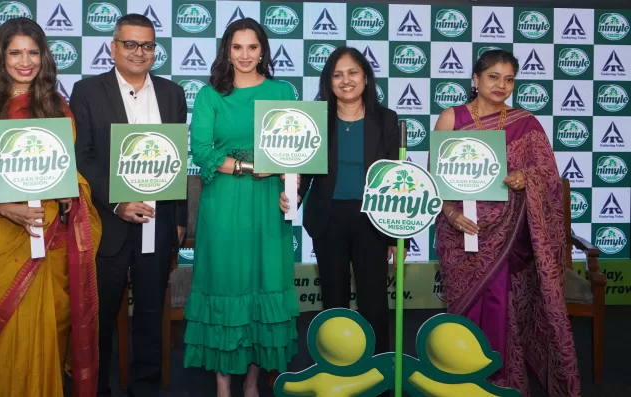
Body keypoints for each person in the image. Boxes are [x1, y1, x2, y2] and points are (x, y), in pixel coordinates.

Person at [0, 18, 101, 397]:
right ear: (1, 56)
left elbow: (64, 172)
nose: (25, 61)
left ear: (44, 57)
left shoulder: (56, 106)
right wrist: (4, 207)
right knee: (4, 334)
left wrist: (68, 193)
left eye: (33, 52)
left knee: (47, 327)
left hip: (47, 234)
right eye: (15, 52)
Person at [433, 50, 581, 396]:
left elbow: (548, 175)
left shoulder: (525, 123)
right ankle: (459, 375)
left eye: (509, 79)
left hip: (506, 235)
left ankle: (497, 382)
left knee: (499, 304)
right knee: (464, 306)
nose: (502, 85)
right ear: (476, 80)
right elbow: (436, 179)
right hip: (459, 233)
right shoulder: (450, 118)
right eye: (493, 77)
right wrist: (452, 215)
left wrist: (524, 176)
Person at [69, 14, 187, 397]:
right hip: (109, 225)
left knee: (152, 318)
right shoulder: (87, 91)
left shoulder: (172, 94)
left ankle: (145, 388)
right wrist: (118, 201)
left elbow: (177, 160)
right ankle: (98, 390)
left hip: (160, 222)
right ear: (113, 48)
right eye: (131, 44)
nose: (140, 52)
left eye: (148, 45)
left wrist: (180, 219)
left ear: (155, 51)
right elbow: (82, 158)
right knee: (101, 320)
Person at [182, 17, 299, 397]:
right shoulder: (209, 95)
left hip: (269, 205)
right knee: (226, 284)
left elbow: (296, 151)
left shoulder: (283, 92)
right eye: (237, 47)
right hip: (224, 202)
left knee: (262, 286)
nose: (245, 55)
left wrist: (290, 186)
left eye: (252, 47)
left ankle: (250, 385)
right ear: (226, 51)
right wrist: (251, 167)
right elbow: (201, 150)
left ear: (263, 49)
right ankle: (222, 387)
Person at [280, 46, 406, 370]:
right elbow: (303, 170)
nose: (345, 80)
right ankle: (333, 368)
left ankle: (378, 373)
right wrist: (291, 195)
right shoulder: (316, 120)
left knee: (374, 302)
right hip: (328, 219)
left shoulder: (387, 119)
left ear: (365, 77)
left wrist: (395, 233)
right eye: (337, 74)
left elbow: (396, 176)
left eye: (352, 73)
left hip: (372, 221)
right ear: (329, 81)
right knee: (333, 300)